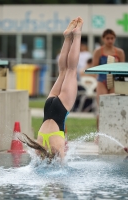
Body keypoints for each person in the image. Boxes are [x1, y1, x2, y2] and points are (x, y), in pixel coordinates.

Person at [19, 17, 84, 161]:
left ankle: (77, 34)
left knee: (71, 70)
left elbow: (62, 169)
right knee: (62, 71)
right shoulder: (39, 149)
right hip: (48, 107)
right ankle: (67, 38)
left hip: (60, 109)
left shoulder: (54, 149)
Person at [93, 29, 125, 131]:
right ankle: (99, 133)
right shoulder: (98, 51)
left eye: (112, 38)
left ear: (114, 39)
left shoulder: (119, 52)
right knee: (102, 108)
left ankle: (113, 131)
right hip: (102, 80)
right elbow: (94, 67)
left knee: (114, 108)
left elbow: (122, 69)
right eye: (107, 38)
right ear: (103, 39)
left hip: (114, 81)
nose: (110, 41)